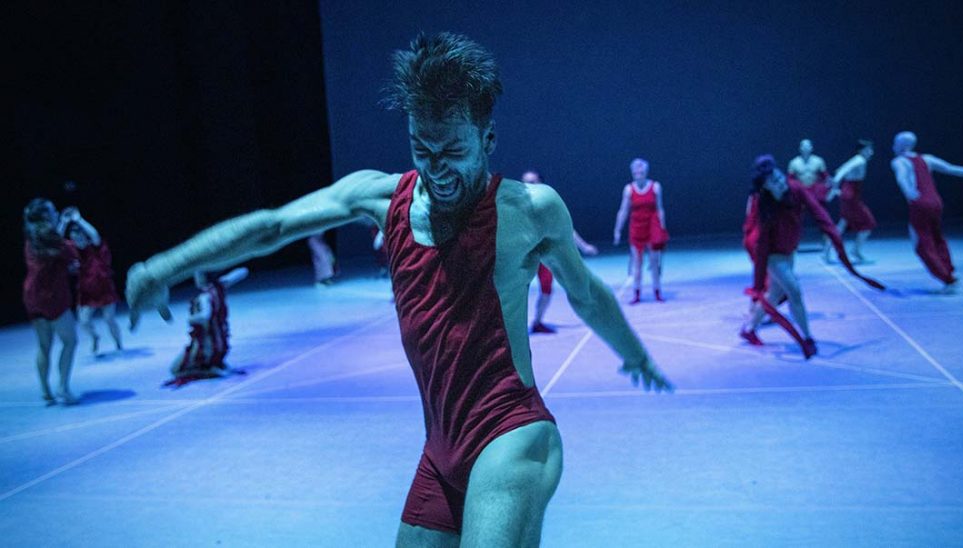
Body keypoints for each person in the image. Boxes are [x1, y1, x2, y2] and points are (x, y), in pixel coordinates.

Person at [127, 32, 672, 546]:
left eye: (453, 151)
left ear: (489, 138)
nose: (437, 170)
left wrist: (635, 355)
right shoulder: (378, 197)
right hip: (439, 452)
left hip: (511, 436)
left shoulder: (530, 210)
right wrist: (160, 269)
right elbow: (270, 226)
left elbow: (586, 293)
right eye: (422, 149)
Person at [740, 156, 884, 359]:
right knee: (795, 293)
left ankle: (749, 329)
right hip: (771, 254)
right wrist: (757, 281)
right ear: (766, 188)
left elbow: (820, 215)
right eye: (773, 182)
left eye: (779, 177)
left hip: (789, 249)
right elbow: (761, 245)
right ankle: (808, 339)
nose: (780, 182)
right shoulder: (763, 204)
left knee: (774, 294)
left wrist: (837, 241)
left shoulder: (796, 189)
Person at [890, 131, 963, 292]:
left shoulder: (899, 161)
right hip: (936, 202)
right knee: (937, 238)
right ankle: (948, 270)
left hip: (920, 203)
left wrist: (908, 192)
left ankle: (948, 280)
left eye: (895, 143)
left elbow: (902, 177)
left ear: (900, 145)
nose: (893, 146)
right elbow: (951, 168)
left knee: (921, 243)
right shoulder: (927, 158)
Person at [521, 170, 598, 334]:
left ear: (541, 184)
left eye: (532, 182)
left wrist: (584, 247)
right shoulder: (517, 206)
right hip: (523, 257)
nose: (528, 186)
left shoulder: (550, 206)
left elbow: (567, 229)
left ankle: (537, 322)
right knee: (514, 293)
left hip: (544, 256)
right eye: (525, 182)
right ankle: (508, 328)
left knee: (547, 290)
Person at [22, 199, 80, 406]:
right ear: (46, 216)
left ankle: (46, 392)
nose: (56, 213)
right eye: (53, 211)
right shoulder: (49, 234)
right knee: (70, 341)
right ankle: (63, 387)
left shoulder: (32, 236)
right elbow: (70, 251)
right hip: (52, 296)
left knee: (44, 346)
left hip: (33, 296)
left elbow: (56, 250)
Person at [165, 267, 248, 387]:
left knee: (175, 370)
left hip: (206, 345)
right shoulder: (219, 287)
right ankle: (214, 365)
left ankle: (211, 371)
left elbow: (205, 316)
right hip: (221, 343)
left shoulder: (204, 297)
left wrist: (191, 319)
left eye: (197, 275)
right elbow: (243, 271)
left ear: (202, 277)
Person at [62, 207, 124, 353]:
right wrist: (63, 223)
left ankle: (118, 344)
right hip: (86, 292)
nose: (78, 240)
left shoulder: (96, 246)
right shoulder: (72, 251)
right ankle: (95, 337)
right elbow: (57, 242)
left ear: (85, 236)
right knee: (83, 321)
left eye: (80, 237)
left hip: (104, 289)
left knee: (109, 319)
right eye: (74, 238)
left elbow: (94, 234)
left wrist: (79, 220)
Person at [613, 158, 669, 304]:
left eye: (641, 171)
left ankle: (657, 292)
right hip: (636, 229)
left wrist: (662, 228)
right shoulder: (629, 189)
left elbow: (660, 209)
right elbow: (623, 211)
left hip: (652, 228)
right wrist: (617, 230)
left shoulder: (656, 187)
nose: (639, 173)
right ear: (632, 173)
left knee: (654, 262)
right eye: (636, 171)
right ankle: (636, 293)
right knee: (637, 263)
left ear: (646, 172)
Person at [824, 140, 877, 263]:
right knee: (869, 223)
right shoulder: (860, 160)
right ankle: (855, 251)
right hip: (851, 196)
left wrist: (836, 183)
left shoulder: (856, 159)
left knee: (842, 225)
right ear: (861, 150)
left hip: (849, 194)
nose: (871, 152)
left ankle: (826, 252)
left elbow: (840, 169)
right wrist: (835, 182)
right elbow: (841, 172)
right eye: (869, 150)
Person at [787, 139, 830, 204]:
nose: (805, 148)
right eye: (803, 146)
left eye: (807, 146)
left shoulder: (819, 161)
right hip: (801, 192)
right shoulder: (793, 163)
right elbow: (789, 180)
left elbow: (826, 177)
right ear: (800, 148)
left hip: (815, 192)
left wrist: (825, 189)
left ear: (811, 148)